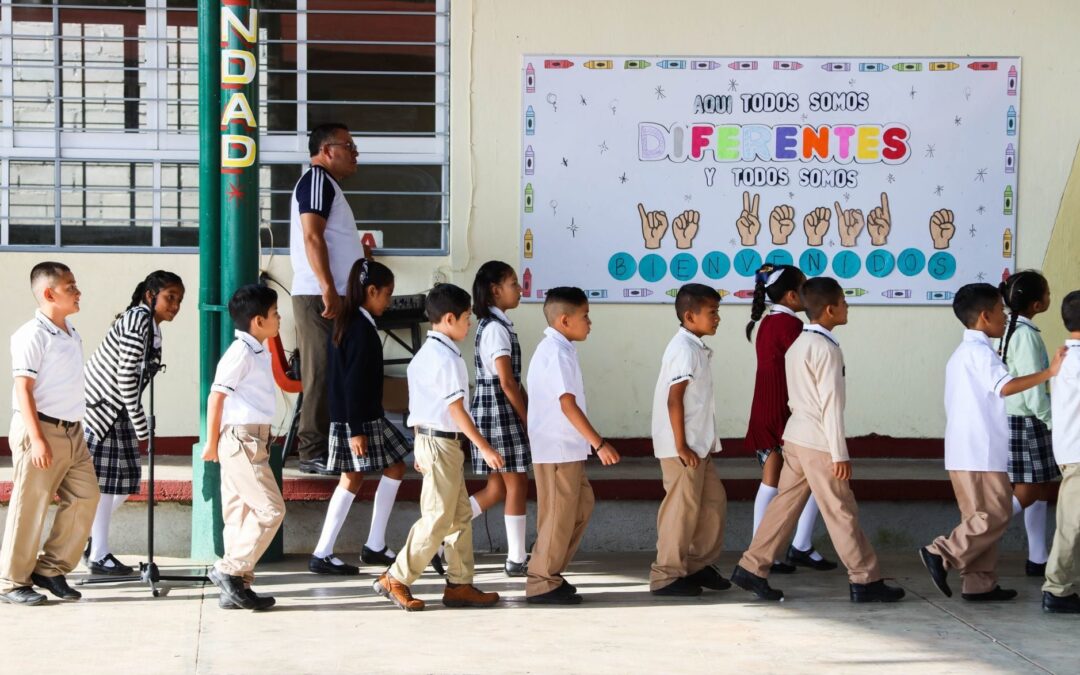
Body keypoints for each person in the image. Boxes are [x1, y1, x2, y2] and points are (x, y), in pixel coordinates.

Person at [732, 277, 904, 603]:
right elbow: (831, 406)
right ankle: (865, 579)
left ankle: (751, 567)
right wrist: (840, 454)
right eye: (844, 301)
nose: (848, 306)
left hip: (795, 438)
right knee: (841, 511)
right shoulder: (826, 348)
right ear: (830, 309)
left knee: (783, 506)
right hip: (818, 443)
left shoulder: (799, 343)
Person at [920, 283, 1064, 602]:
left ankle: (979, 583)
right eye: (1000, 311)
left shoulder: (963, 353)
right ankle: (940, 552)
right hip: (981, 452)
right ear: (985, 316)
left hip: (964, 450)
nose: (1004, 316)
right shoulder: (979, 353)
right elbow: (1007, 386)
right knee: (995, 515)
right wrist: (1049, 372)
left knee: (978, 518)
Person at [373, 284, 502, 611]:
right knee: (439, 517)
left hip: (434, 441)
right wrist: (484, 448)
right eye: (466, 317)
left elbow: (418, 406)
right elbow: (457, 410)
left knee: (458, 515)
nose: (469, 323)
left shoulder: (426, 355)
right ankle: (397, 576)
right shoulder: (446, 359)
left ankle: (459, 584)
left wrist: (420, 444)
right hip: (443, 443)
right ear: (448, 319)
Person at [1, 262, 100, 606]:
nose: (78, 291)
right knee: (31, 506)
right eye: (70, 286)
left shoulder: (69, 330)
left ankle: (51, 569)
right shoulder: (32, 334)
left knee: (87, 496)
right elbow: (23, 388)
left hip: (72, 432)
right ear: (49, 293)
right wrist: (38, 439)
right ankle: (12, 582)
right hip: (40, 430)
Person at [309, 259, 411, 575]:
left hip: (364, 417)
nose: (390, 301)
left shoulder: (351, 321)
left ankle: (375, 545)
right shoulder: (360, 329)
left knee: (395, 465)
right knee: (352, 478)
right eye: (387, 293)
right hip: (358, 420)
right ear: (371, 291)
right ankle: (322, 552)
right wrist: (355, 430)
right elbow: (352, 382)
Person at [82, 270, 185, 575]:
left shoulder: (149, 325)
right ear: (150, 296)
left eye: (179, 300)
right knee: (108, 485)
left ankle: (91, 540)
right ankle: (98, 552)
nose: (175, 305)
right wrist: (143, 426)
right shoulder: (139, 320)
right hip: (104, 411)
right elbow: (126, 376)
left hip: (118, 410)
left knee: (123, 483)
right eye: (170, 297)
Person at [526, 287, 621, 605]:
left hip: (567, 448)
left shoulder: (562, 349)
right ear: (565, 320)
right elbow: (567, 404)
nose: (590, 322)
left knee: (579, 507)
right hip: (556, 448)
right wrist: (599, 443)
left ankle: (550, 571)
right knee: (557, 515)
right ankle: (541, 580)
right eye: (585, 316)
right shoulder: (554, 352)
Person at [743, 263, 835, 573]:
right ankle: (764, 550)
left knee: (806, 481)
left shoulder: (772, 321)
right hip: (779, 414)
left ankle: (798, 546)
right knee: (774, 482)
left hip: (773, 410)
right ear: (793, 295)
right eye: (806, 289)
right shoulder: (791, 327)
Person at [202, 284, 286, 611]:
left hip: (252, 438)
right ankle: (228, 570)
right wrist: (211, 443)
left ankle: (235, 588)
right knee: (270, 509)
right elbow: (216, 396)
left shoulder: (257, 350)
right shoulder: (240, 352)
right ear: (257, 321)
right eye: (275, 313)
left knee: (240, 514)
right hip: (241, 439)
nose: (279, 318)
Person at [289, 122, 365, 475]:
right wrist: (328, 289)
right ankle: (312, 452)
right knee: (320, 371)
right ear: (326, 150)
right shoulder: (317, 180)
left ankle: (332, 448)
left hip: (335, 294)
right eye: (348, 146)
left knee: (337, 371)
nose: (355, 153)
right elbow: (312, 237)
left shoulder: (329, 186)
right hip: (319, 296)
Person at [648, 284, 730, 597]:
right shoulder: (683, 349)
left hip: (698, 446)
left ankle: (695, 565)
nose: (718, 318)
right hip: (681, 448)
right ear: (689, 315)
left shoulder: (694, 346)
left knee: (712, 503)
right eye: (712, 313)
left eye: (718, 312)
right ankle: (666, 575)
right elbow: (674, 400)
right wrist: (680, 446)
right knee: (680, 511)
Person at [466, 261, 532, 576]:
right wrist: (527, 417)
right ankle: (516, 558)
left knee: (497, 489)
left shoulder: (497, 325)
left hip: (495, 406)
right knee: (517, 481)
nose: (519, 289)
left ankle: (439, 540)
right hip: (498, 408)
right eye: (514, 284)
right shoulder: (495, 329)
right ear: (495, 290)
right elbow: (507, 383)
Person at [998, 270, 1057, 576]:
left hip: (1017, 417)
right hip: (1028, 419)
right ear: (1036, 304)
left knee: (1040, 486)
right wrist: (1051, 421)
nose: (1050, 298)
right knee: (1029, 490)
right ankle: (969, 536)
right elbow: (1034, 388)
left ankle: (1037, 556)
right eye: (1047, 293)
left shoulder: (1011, 327)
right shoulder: (1026, 336)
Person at [1042, 290, 1080, 613]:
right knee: (1072, 523)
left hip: (1070, 449)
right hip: (1078, 453)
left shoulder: (1065, 355)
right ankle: (1056, 588)